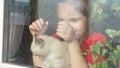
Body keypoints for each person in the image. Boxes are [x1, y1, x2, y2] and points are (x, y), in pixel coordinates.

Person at [29, 0, 107, 68]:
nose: (67, 25)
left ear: (89, 20)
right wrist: (38, 38)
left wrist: (72, 42)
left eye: (74, 20)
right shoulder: (58, 38)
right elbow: (40, 65)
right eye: (62, 20)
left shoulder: (97, 41)